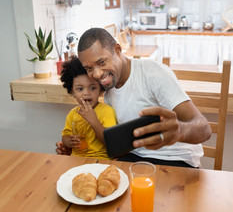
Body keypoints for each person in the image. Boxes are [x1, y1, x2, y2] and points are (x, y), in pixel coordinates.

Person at [58, 27, 211, 168]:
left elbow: (204, 129)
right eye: (89, 68)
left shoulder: (152, 73)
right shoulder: (108, 89)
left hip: (175, 160)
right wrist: (72, 150)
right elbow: (120, 143)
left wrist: (180, 131)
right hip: (134, 159)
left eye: (102, 62)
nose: (97, 74)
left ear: (117, 49)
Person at [59, 56, 117, 159]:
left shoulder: (107, 111)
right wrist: (69, 141)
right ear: (73, 92)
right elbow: (65, 137)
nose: (86, 93)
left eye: (92, 88)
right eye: (80, 89)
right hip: (76, 159)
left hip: (100, 159)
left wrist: (94, 121)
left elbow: (111, 142)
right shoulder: (72, 114)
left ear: (100, 90)